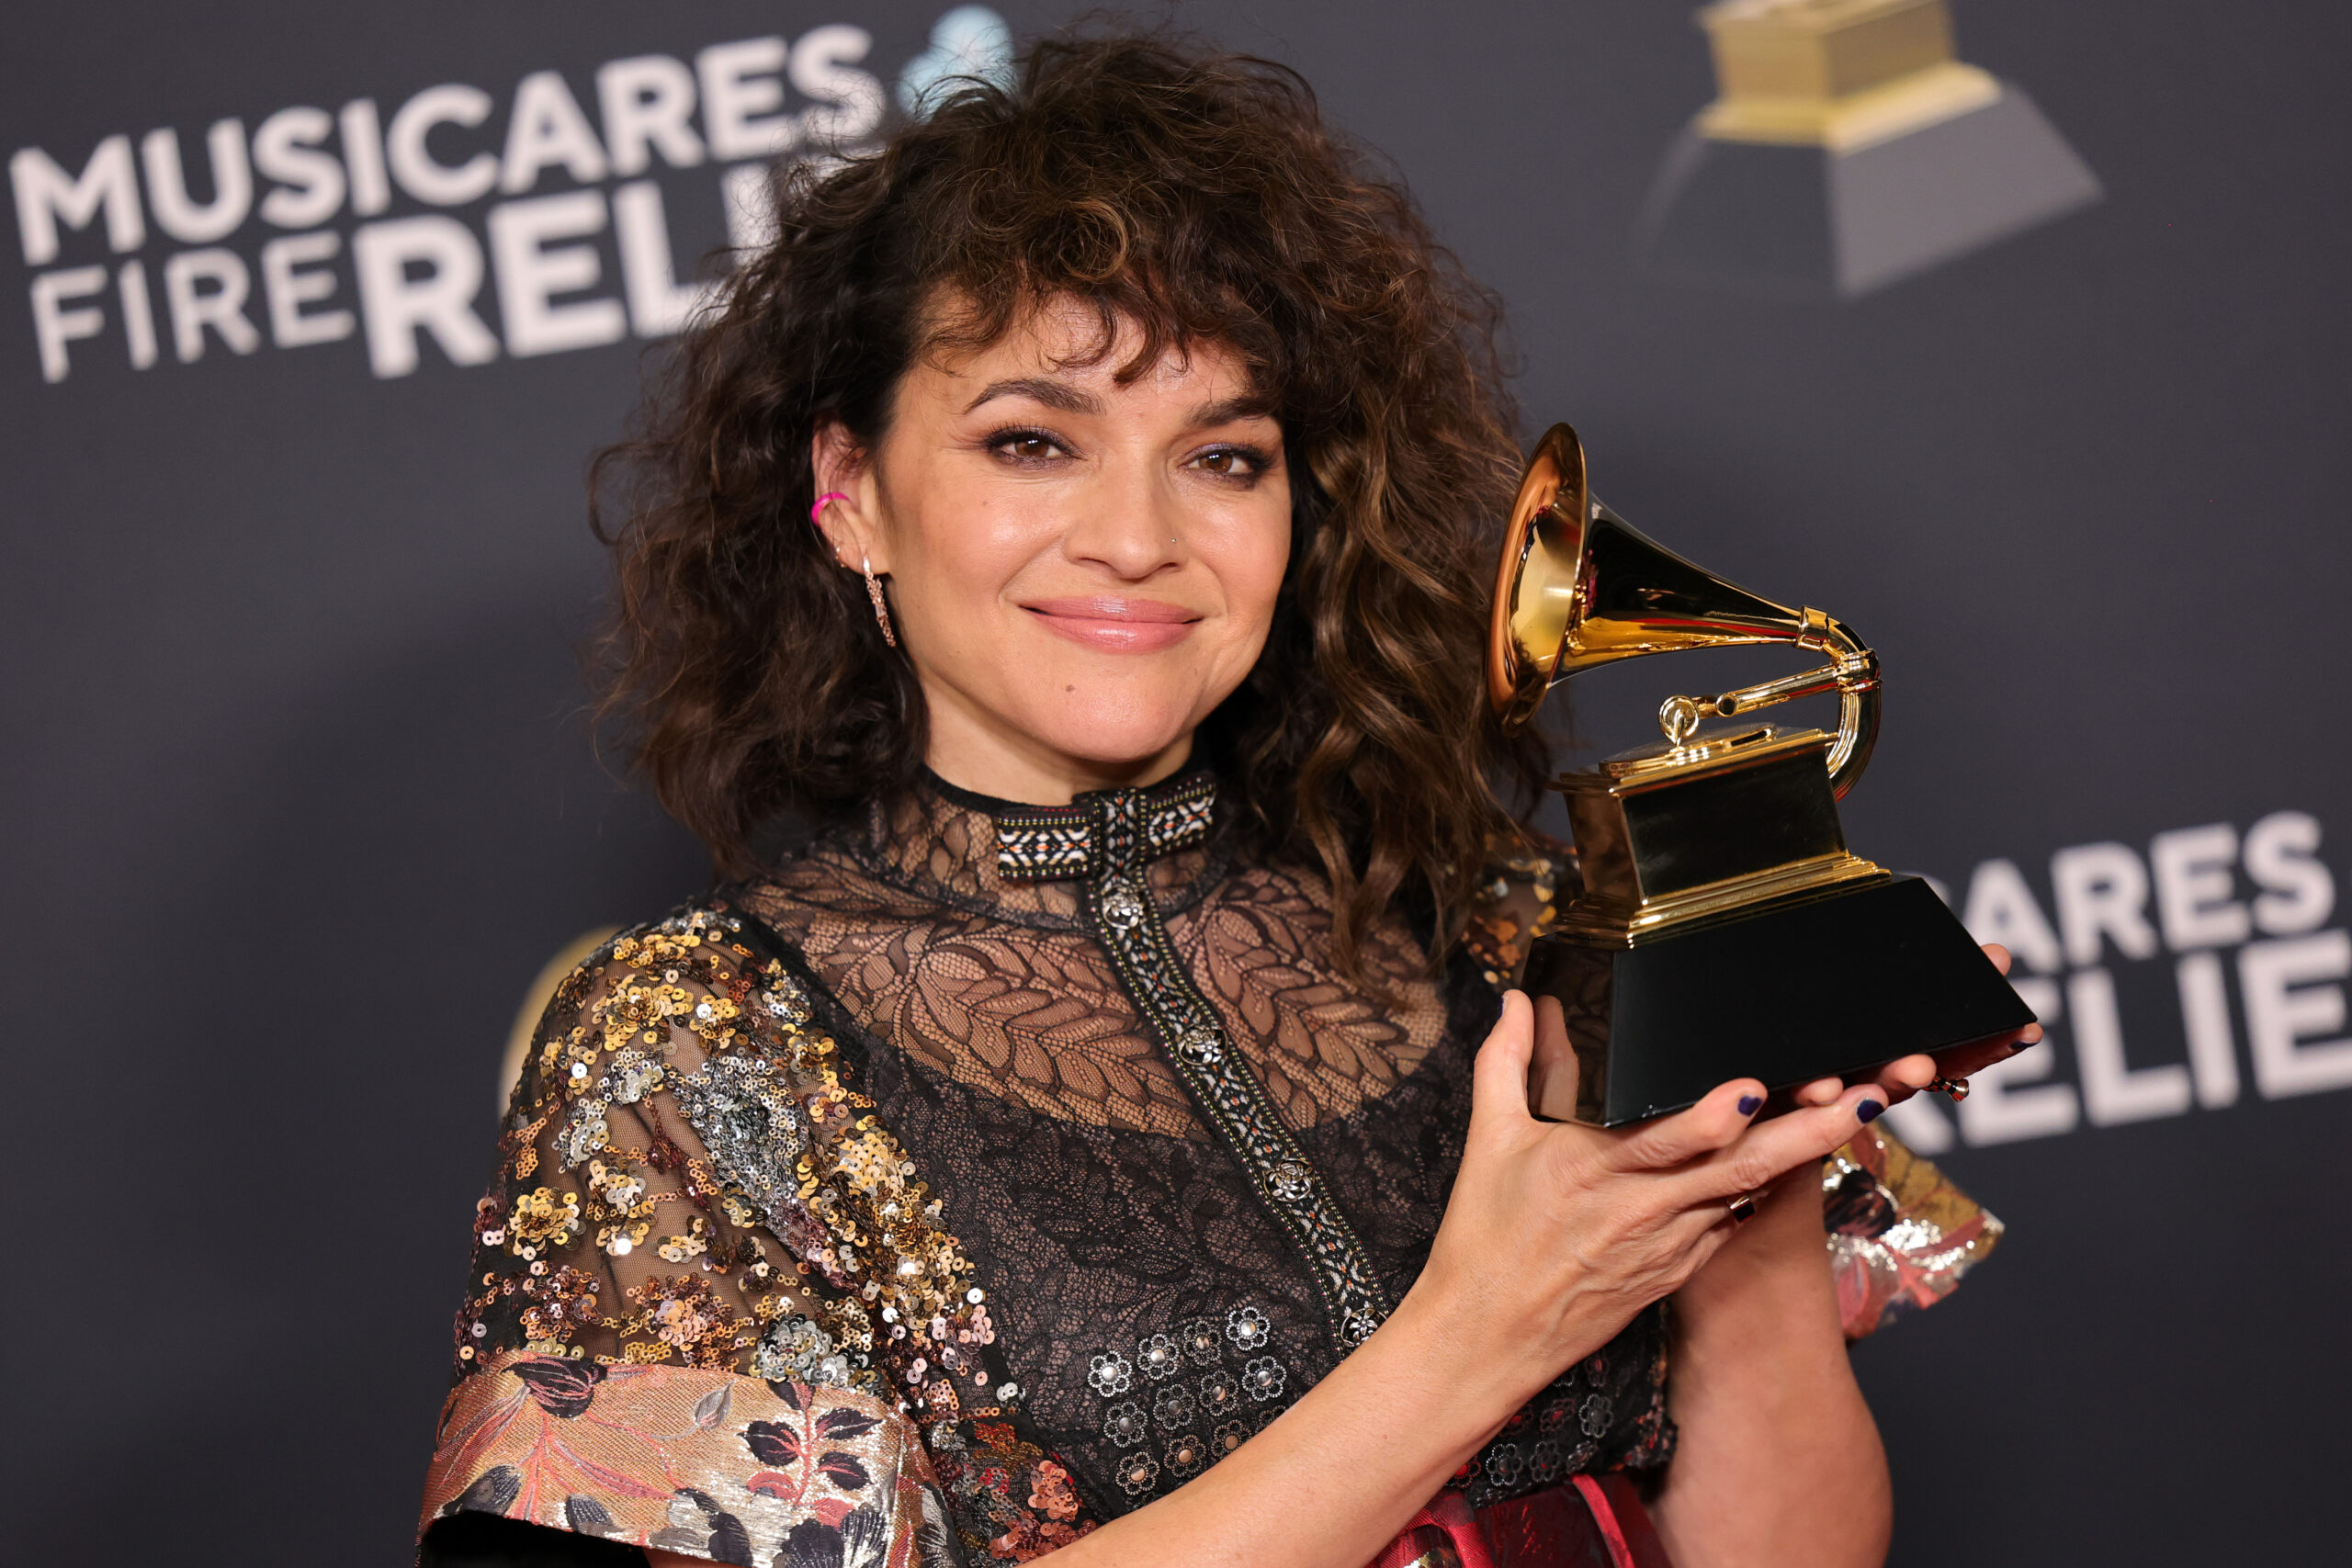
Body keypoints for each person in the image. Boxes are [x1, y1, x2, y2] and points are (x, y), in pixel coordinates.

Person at [415, 34, 2035, 1568]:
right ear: (851, 495)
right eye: (1034, 441)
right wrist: (1491, 1327)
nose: (1138, 538)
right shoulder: (701, 1054)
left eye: (1224, 456)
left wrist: (1737, 1204)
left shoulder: (1507, 921)